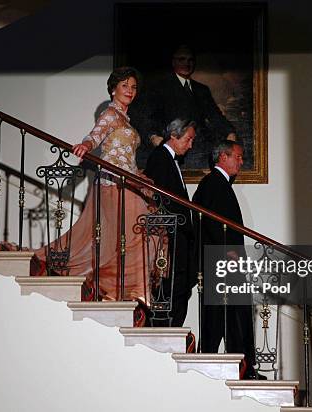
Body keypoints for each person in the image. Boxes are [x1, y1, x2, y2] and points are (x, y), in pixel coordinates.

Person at [33, 67, 155, 311]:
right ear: (113, 89)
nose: (130, 90)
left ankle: (126, 289)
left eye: (133, 87)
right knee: (137, 231)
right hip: (113, 185)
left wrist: (140, 176)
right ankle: (127, 289)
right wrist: (85, 146)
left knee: (136, 233)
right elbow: (95, 135)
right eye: (124, 86)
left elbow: (124, 156)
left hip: (128, 182)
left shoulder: (126, 119)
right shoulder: (110, 114)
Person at [192, 140, 264, 380]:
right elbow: (212, 223)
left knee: (229, 315)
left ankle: (241, 366)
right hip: (222, 262)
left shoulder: (217, 183)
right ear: (223, 156)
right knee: (225, 316)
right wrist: (229, 252)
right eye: (238, 157)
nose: (241, 162)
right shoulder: (214, 183)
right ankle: (239, 367)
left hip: (222, 261)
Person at [130, 44, 236, 169]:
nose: (187, 63)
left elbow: (215, 116)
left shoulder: (202, 90)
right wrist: (153, 136)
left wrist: (229, 132)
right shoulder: (160, 87)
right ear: (173, 62)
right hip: (172, 147)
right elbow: (145, 117)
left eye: (190, 60)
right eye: (182, 59)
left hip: (199, 149)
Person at [144, 118, 197, 327]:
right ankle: (166, 330)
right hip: (170, 235)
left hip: (179, 233)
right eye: (188, 139)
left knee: (182, 287)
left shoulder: (171, 159)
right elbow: (159, 199)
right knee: (171, 286)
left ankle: (175, 328)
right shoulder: (159, 158)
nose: (191, 145)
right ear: (174, 136)